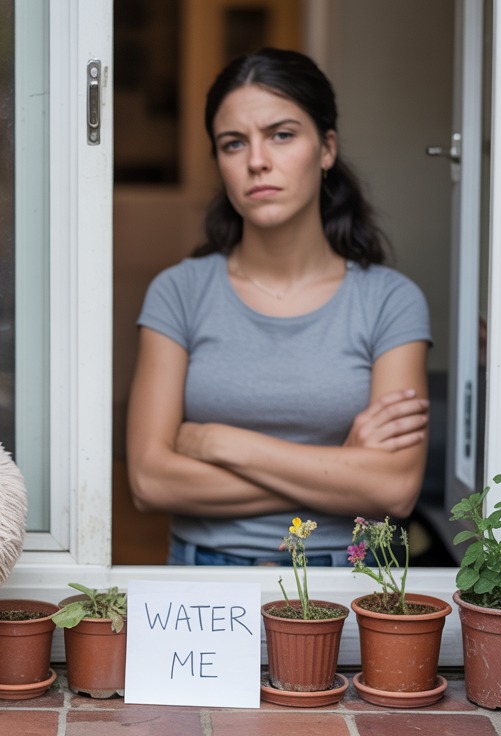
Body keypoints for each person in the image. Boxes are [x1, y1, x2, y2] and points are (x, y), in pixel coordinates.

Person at [126, 48, 432, 567]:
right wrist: (344, 468)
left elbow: (394, 489)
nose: (257, 160)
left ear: (327, 148)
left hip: (347, 576)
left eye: (282, 134)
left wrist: (220, 443)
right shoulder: (178, 292)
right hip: (206, 579)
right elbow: (149, 481)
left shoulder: (390, 301)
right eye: (233, 143)